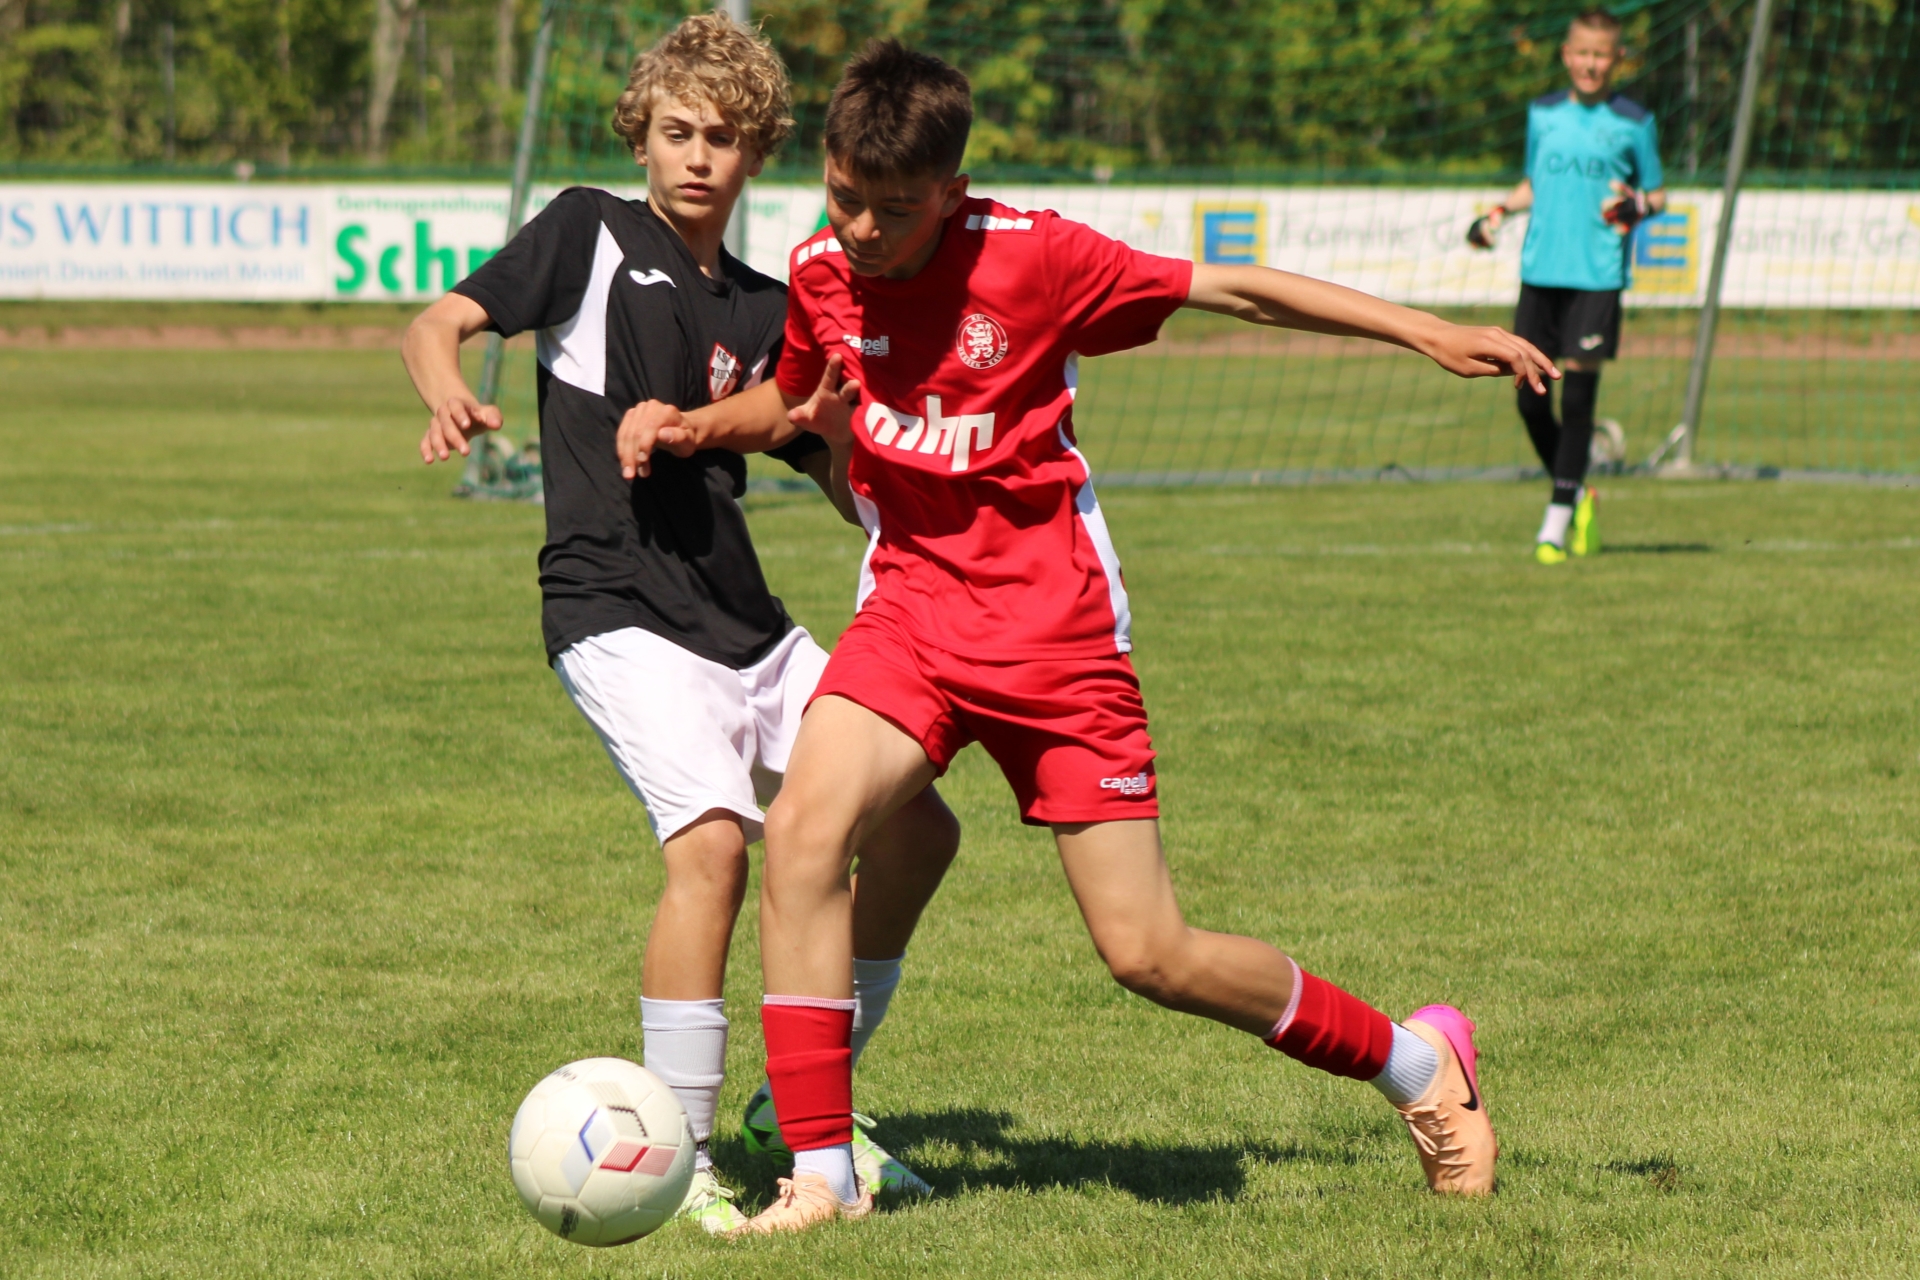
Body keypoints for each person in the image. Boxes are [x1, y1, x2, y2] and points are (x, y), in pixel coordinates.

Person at [630, 39, 1559, 1234]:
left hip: (1055, 634)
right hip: (910, 609)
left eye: (895, 209)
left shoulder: (1035, 257)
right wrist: (701, 424)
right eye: (845, 196)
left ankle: (1418, 1063)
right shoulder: (821, 267)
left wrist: (1421, 330)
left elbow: (1235, 288)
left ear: (953, 191)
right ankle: (822, 1176)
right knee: (804, 834)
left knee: (1148, 951)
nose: (862, 229)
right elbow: (799, 397)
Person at [398, 14, 957, 1233]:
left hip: (747, 625)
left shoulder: (769, 308)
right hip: (613, 608)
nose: (698, 156)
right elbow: (437, 323)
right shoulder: (586, 231)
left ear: (758, 154)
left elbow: (839, 478)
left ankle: (797, 1103)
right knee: (712, 847)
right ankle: (684, 1149)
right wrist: (446, 388)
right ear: (641, 138)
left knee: (920, 827)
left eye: (724, 137)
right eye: (677, 131)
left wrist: (866, 468)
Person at [1467, 8, 1667, 564]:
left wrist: (1639, 205)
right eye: (1583, 53)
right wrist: (1498, 212)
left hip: (1597, 276)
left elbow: (1657, 194)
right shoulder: (1544, 113)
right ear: (1566, 55)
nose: (1591, 64)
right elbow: (1534, 182)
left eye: (1602, 55)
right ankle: (1578, 491)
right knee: (1529, 400)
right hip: (1540, 273)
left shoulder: (1634, 122)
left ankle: (1554, 523)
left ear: (1617, 58)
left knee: (1577, 400)